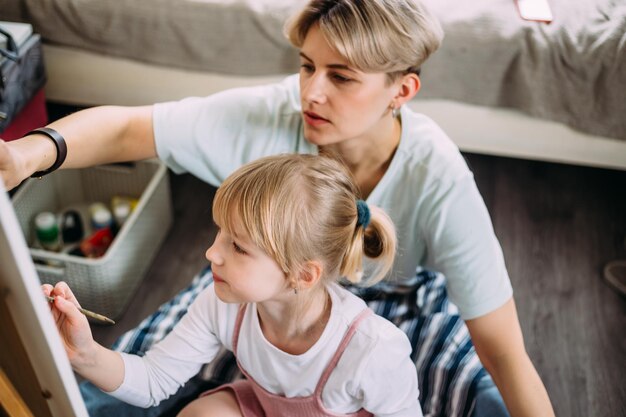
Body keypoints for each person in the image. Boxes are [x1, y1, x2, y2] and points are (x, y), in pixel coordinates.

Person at [1, 0, 555, 416]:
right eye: (306, 65)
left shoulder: (438, 176)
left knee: (478, 400)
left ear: (401, 90)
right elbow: (129, 128)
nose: (310, 93)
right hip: (262, 285)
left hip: (397, 299)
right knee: (109, 400)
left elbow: (504, 351)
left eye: (341, 77)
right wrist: (29, 153)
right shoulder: (233, 285)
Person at [43, 153, 422, 417]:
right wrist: (84, 352)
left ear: (303, 275)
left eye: (238, 247)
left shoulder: (372, 351)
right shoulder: (222, 304)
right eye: (220, 233)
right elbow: (154, 380)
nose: (211, 253)